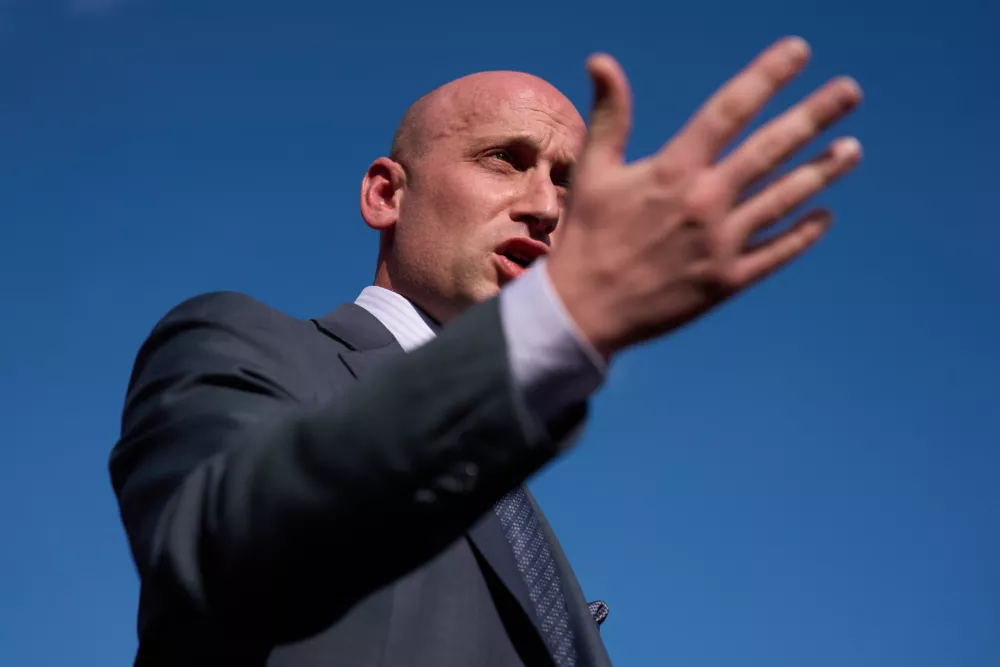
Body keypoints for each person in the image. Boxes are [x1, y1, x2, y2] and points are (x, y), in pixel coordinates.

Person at [109, 36, 862, 666]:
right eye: (505, 158)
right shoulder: (240, 341)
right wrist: (562, 321)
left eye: (567, 182)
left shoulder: (521, 507)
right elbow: (217, 552)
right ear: (385, 195)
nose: (545, 206)